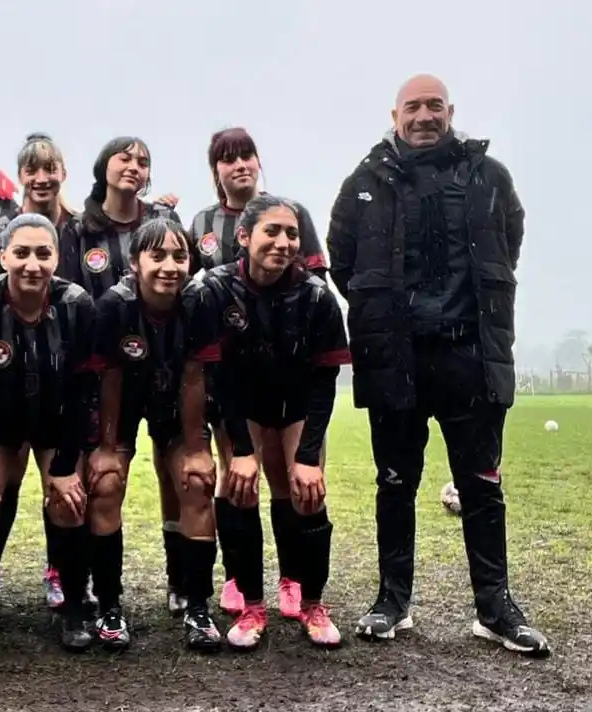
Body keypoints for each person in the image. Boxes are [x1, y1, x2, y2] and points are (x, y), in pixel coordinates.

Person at [326, 74, 550, 658]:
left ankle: (494, 608)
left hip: (469, 358)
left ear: (450, 111)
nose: (423, 115)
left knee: (481, 488)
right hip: (395, 359)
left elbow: (511, 240)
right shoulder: (364, 182)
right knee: (395, 484)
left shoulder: (489, 177)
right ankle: (391, 602)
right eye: (412, 107)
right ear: (394, 114)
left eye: (434, 106)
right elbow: (341, 259)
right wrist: (387, 316)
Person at [187, 127, 331, 621]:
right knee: (237, 478)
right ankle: (242, 587)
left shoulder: (292, 224)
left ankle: (296, 583)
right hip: (235, 388)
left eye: (247, 154)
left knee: (296, 482)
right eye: (228, 158)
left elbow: (323, 364)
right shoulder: (204, 232)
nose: (240, 164)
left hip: (290, 381)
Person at [201, 194, 349, 650]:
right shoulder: (216, 289)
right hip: (239, 404)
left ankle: (311, 602)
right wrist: (242, 450)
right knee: (239, 487)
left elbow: (326, 382)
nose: (283, 242)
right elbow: (217, 376)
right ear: (244, 237)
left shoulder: (318, 297)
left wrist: (307, 457)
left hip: (297, 405)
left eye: (291, 233)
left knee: (304, 490)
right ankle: (250, 606)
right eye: (272, 231)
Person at [0, 213, 99, 651]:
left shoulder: (76, 306)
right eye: (22, 253)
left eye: (43, 253)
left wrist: (68, 466)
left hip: (56, 420)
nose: (32, 264)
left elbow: (82, 392)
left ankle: (73, 613)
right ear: (3, 256)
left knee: (70, 503)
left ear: (56, 258)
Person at [56, 135, 188, 615]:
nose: (134, 166)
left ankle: (182, 582)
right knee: (104, 476)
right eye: (124, 157)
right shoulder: (78, 229)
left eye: (143, 161)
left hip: (165, 366)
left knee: (179, 476)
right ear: (102, 166)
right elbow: (65, 292)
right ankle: (91, 585)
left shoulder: (163, 221)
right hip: (102, 369)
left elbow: (185, 281)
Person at [89, 218, 224, 651]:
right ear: (134, 262)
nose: (170, 266)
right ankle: (108, 605)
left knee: (198, 481)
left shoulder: (198, 302)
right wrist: (108, 447)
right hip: (122, 405)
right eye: (158, 255)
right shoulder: (114, 305)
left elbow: (193, 378)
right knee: (106, 483)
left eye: (180, 256)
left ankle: (197, 606)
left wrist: (198, 449)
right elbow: (109, 378)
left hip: (174, 403)